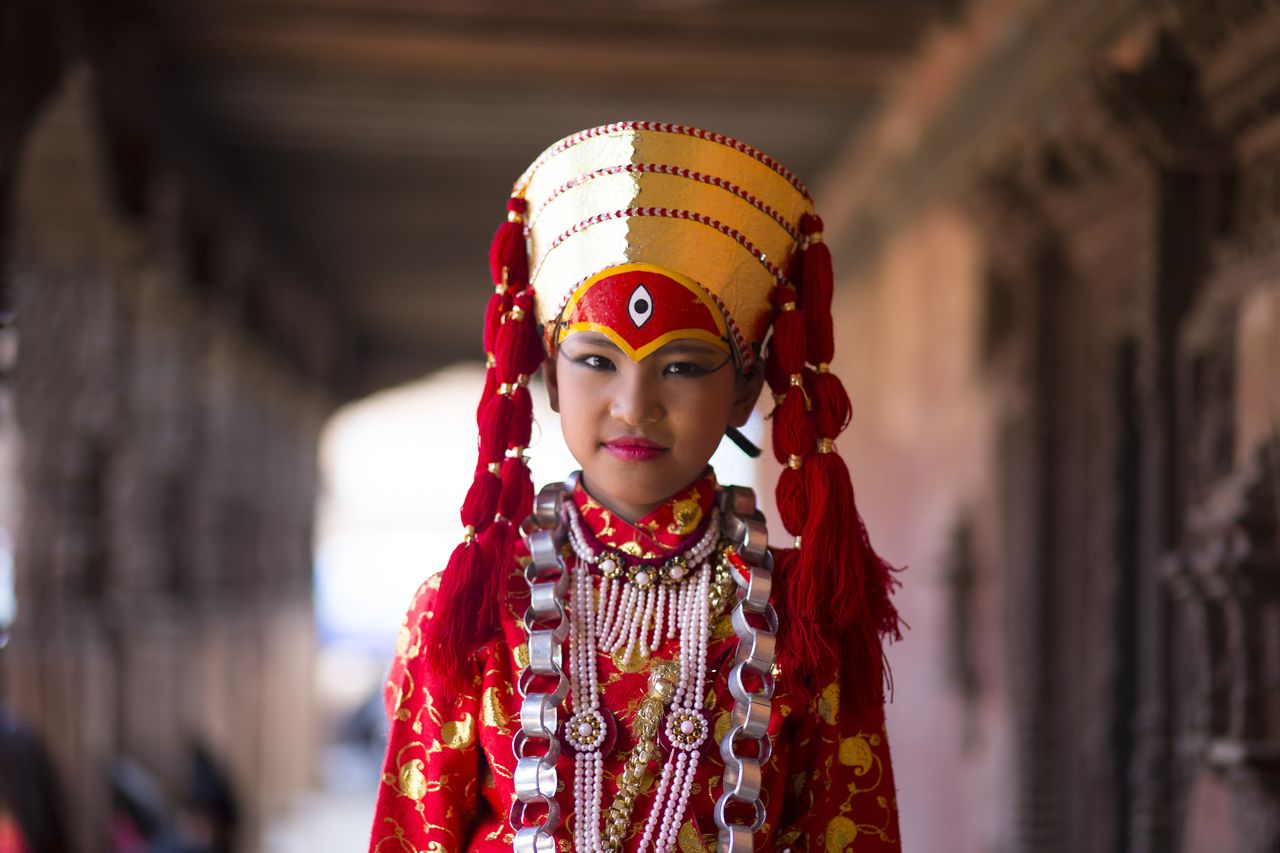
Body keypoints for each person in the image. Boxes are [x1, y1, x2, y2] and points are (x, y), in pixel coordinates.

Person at [369, 121, 904, 852]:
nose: (633, 405)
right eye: (596, 361)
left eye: (682, 366)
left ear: (747, 388)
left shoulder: (804, 624)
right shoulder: (472, 615)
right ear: (548, 376)